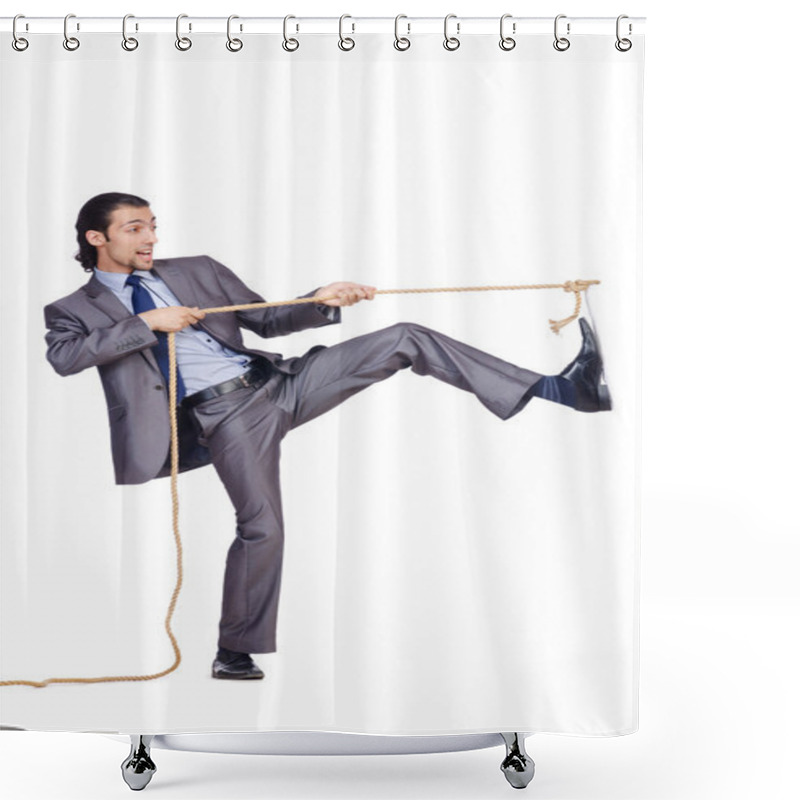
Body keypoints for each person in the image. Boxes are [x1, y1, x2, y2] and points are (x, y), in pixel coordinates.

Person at [44, 192, 611, 681]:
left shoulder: (194, 269)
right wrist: (145, 324)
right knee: (261, 525)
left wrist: (321, 299)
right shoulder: (72, 309)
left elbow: (266, 320)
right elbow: (66, 357)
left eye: (153, 225)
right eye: (135, 228)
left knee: (403, 336)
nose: (150, 237)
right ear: (97, 237)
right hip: (226, 418)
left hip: (280, 381)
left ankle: (560, 390)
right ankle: (233, 652)